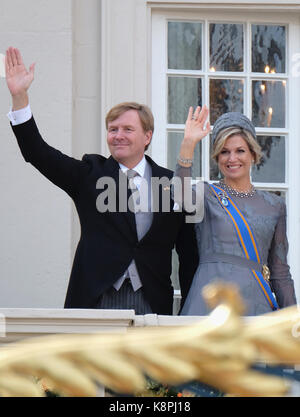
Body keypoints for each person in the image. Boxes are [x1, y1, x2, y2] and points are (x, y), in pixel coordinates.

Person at [5, 47, 199, 315]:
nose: (118, 135)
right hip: (96, 302)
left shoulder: (172, 183)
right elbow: (37, 152)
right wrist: (20, 98)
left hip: (153, 304)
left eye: (128, 129)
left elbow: (189, 254)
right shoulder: (90, 173)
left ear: (147, 136)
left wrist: (189, 316)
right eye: (112, 129)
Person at [176, 105, 297, 315]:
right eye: (224, 152)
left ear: (253, 154)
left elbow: (280, 273)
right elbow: (178, 197)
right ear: (217, 157)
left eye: (240, 151)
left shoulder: (274, 205)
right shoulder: (205, 194)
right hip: (209, 304)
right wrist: (189, 143)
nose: (232, 159)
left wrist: (293, 321)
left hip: (255, 307)